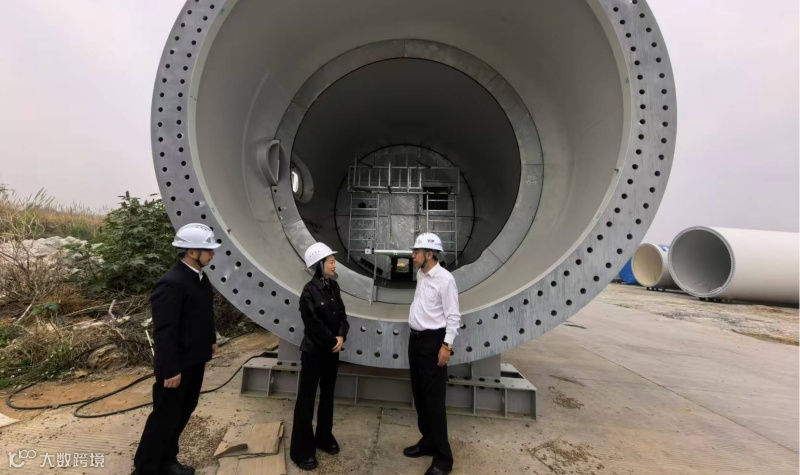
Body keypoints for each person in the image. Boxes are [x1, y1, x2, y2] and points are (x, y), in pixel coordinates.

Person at [132, 223, 220, 475]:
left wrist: (210, 339)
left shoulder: (199, 278)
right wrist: (170, 369)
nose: (212, 254)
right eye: (208, 250)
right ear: (191, 252)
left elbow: (203, 315)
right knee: (165, 415)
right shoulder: (172, 283)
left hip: (194, 358)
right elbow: (166, 330)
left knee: (183, 411)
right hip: (176, 365)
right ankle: (145, 468)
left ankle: (167, 461)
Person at [403, 233, 461, 475]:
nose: (412, 256)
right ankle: (427, 441)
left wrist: (446, 346)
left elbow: (453, 316)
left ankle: (443, 459)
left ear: (429, 255)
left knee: (434, 401)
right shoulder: (421, 274)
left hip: (433, 343)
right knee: (420, 395)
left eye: (416, 252)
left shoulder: (445, 280)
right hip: (415, 341)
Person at [290, 242, 350, 471]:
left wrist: (341, 335)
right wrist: (333, 341)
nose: (335, 265)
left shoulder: (334, 287)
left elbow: (342, 315)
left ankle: (324, 437)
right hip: (314, 353)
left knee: (327, 396)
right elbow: (313, 324)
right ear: (319, 265)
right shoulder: (308, 291)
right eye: (331, 262)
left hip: (332, 353)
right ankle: (301, 450)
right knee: (306, 399)